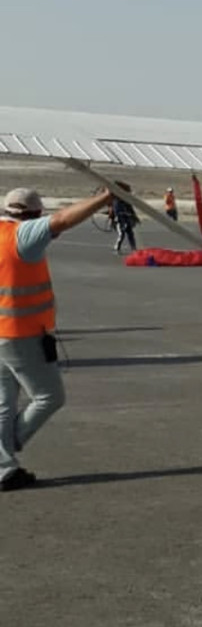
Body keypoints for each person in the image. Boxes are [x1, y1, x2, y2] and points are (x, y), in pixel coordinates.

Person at [0, 186, 115, 490]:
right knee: (49, 396)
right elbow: (62, 220)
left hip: (4, 333)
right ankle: (5, 451)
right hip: (19, 333)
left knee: (3, 403)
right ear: (34, 214)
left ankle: (4, 469)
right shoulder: (23, 235)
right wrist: (105, 198)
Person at [111, 183, 139, 253]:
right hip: (120, 219)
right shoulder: (116, 201)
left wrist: (135, 217)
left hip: (127, 219)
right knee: (122, 234)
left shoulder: (126, 202)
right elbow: (117, 211)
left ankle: (133, 248)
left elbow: (131, 210)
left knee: (130, 233)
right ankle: (117, 247)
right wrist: (126, 214)